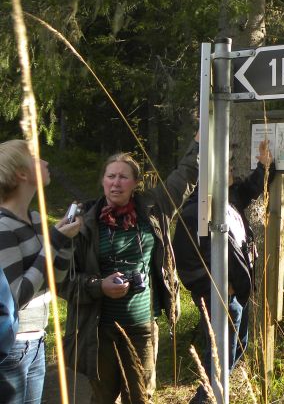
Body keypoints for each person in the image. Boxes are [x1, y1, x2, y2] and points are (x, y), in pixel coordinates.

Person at [58, 134, 199, 404]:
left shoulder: (154, 208)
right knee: (103, 398)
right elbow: (63, 280)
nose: (116, 182)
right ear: (102, 181)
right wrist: (99, 286)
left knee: (140, 397)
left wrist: (199, 142)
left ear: (135, 183)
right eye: (111, 176)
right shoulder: (82, 222)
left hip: (142, 328)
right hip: (100, 330)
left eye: (123, 177)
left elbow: (185, 176)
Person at [173, 139, 272, 403]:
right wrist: (217, 287)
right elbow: (186, 262)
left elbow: (251, 188)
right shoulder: (197, 210)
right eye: (226, 167)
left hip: (236, 292)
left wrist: (264, 166)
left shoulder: (229, 198)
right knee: (219, 358)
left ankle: (210, 396)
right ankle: (206, 399)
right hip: (219, 295)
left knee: (237, 347)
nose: (231, 170)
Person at [0, 140, 82, 404]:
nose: (45, 162)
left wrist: (65, 242)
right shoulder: (3, 226)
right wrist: (54, 242)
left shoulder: (35, 219)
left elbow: (53, 282)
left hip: (37, 340)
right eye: (36, 158)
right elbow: (17, 297)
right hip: (11, 347)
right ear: (22, 174)